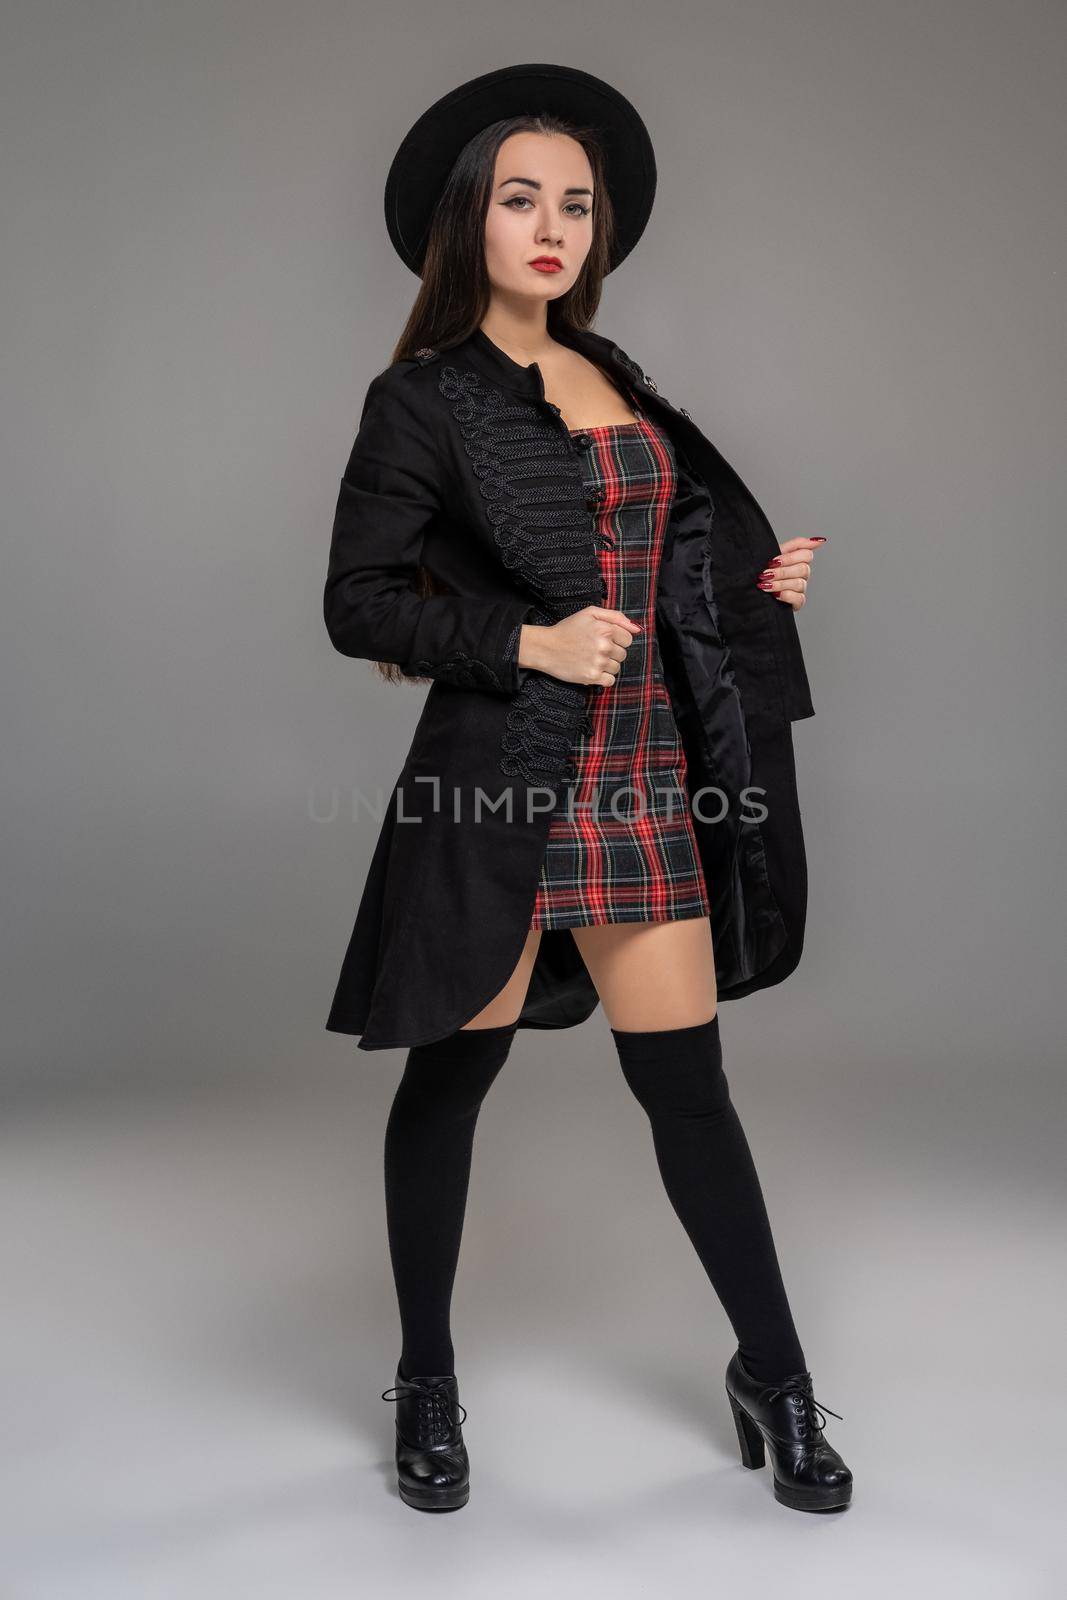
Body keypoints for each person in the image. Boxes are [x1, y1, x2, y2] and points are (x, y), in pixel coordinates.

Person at [323, 63, 851, 1515]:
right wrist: (525, 638)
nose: (552, 226)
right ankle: (425, 1376)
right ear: (468, 223)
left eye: (576, 203)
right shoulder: (421, 399)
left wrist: (756, 582)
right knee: (453, 1077)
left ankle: (778, 1379)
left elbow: (666, 563)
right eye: (521, 199)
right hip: (506, 780)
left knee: (689, 1091)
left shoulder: (623, 381)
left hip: (645, 780)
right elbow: (359, 604)